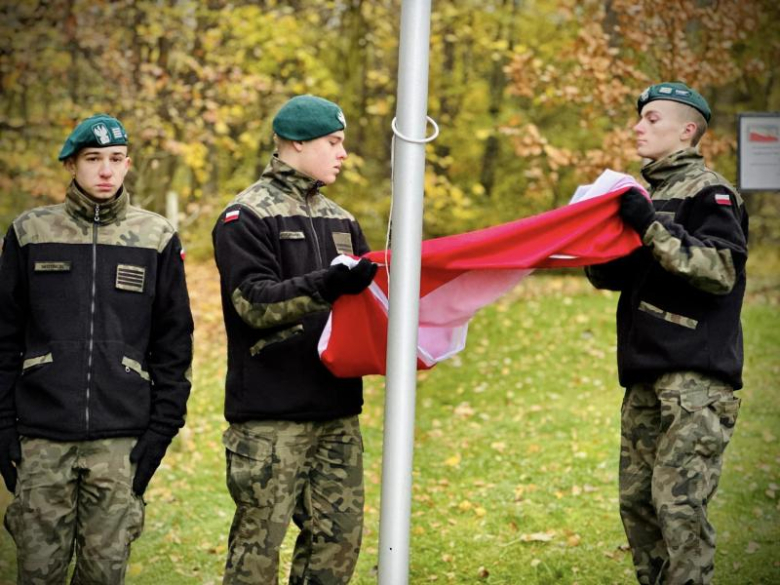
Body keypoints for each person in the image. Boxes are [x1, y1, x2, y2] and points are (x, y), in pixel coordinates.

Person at [0, 114, 194, 583]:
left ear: (128, 164)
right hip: (40, 441)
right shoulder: (30, 233)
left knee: (104, 575)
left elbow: (174, 345)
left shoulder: (156, 237)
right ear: (72, 165)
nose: (105, 171)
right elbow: (4, 337)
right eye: (93, 159)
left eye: (115, 159)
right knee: (37, 575)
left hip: (120, 443)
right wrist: (4, 429)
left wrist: (159, 434)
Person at [585, 82, 748, 584]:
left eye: (652, 119)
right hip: (644, 374)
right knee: (638, 506)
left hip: (694, 381)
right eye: (640, 118)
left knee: (678, 510)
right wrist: (596, 248)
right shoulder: (644, 195)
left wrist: (649, 227)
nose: (638, 126)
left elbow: (718, 268)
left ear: (687, 130)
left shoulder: (710, 192)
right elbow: (629, 274)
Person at [212, 95, 377, 585]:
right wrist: (327, 283)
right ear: (297, 142)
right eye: (334, 142)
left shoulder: (342, 220)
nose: (343, 154)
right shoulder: (245, 216)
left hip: (336, 411)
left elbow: (372, 300)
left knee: (337, 545)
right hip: (270, 418)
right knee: (256, 553)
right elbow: (254, 302)